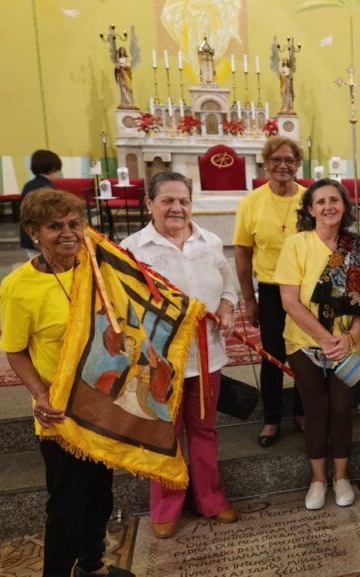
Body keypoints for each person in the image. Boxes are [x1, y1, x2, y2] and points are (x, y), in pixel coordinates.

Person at [0, 189, 134, 577]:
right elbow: (14, 350)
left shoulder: (96, 268)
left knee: (99, 497)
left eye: (75, 223)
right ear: (33, 231)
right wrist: (40, 395)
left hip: (101, 406)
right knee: (66, 506)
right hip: (60, 414)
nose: (68, 233)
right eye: (55, 226)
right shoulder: (19, 287)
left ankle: (91, 567)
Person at [119, 172, 238, 538]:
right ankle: (167, 505)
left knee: (203, 429)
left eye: (183, 201)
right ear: (149, 204)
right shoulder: (133, 248)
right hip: (159, 361)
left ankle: (211, 499)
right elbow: (120, 305)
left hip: (207, 357)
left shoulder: (210, 241)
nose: (177, 208)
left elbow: (228, 283)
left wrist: (228, 308)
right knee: (164, 433)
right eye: (168, 200)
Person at [275, 179, 360, 510]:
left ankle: (341, 477)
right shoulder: (296, 244)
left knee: (342, 409)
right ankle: (318, 480)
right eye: (320, 201)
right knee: (315, 411)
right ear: (310, 209)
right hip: (305, 343)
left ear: (344, 205)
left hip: (349, 344)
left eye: (335, 200)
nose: (328, 206)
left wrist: (350, 338)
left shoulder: (356, 246)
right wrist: (326, 339)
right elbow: (290, 302)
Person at [234, 136, 306, 447]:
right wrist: (249, 299)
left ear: (297, 164)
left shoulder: (310, 198)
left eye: (289, 160)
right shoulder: (251, 202)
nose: (283, 165)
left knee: (305, 353)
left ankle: (302, 411)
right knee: (272, 353)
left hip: (305, 290)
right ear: (266, 163)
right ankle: (272, 418)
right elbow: (242, 253)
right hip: (272, 289)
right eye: (276, 159)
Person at [21, 150, 62, 250]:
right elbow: (51, 213)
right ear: (53, 168)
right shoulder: (46, 188)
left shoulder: (29, 185)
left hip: (29, 235)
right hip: (41, 237)